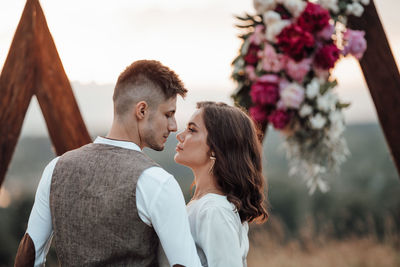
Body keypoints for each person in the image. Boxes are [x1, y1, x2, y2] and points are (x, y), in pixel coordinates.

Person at [14, 60, 202, 267]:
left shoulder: (56, 168)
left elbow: (27, 259)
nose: (174, 126)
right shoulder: (158, 182)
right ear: (142, 111)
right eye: (168, 114)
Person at [174, 101, 269, 267]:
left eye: (192, 130)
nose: (180, 136)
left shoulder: (214, 211)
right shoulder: (204, 205)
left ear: (215, 148)